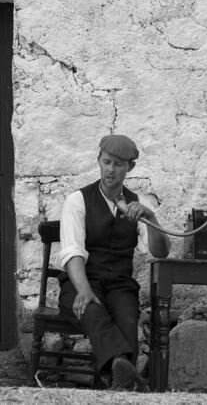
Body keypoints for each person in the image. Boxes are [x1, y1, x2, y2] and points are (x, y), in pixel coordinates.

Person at [54, 135, 170, 390]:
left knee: (127, 319)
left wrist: (152, 219)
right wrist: (84, 290)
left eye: (118, 164)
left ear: (130, 167)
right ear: (98, 160)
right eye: (107, 162)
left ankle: (116, 379)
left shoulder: (139, 204)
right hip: (82, 281)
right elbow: (72, 252)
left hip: (119, 284)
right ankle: (121, 368)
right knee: (92, 311)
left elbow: (160, 252)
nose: (111, 169)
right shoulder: (78, 200)